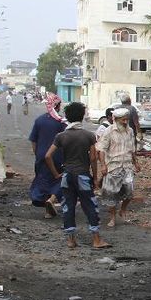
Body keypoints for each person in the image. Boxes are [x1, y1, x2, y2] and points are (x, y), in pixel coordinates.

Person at [44, 102, 110, 249]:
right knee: (90, 206)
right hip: (83, 176)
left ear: (67, 116)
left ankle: (71, 240)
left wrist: (56, 174)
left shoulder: (61, 136)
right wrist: (94, 177)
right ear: (82, 116)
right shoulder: (88, 136)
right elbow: (93, 158)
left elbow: (48, 156)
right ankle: (96, 239)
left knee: (68, 207)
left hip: (67, 176)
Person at [98, 108, 139, 228]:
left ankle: (123, 210)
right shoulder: (109, 131)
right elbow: (102, 150)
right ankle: (112, 218)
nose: (125, 122)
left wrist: (135, 162)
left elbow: (132, 149)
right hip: (113, 166)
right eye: (123, 120)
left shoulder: (130, 131)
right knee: (111, 194)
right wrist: (103, 166)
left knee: (129, 192)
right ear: (116, 119)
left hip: (127, 166)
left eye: (127, 119)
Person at [28, 94, 67, 218]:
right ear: (58, 106)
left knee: (44, 180)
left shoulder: (39, 120)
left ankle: (47, 210)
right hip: (57, 156)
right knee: (59, 179)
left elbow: (33, 141)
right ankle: (52, 200)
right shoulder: (61, 122)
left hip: (41, 155)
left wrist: (38, 155)